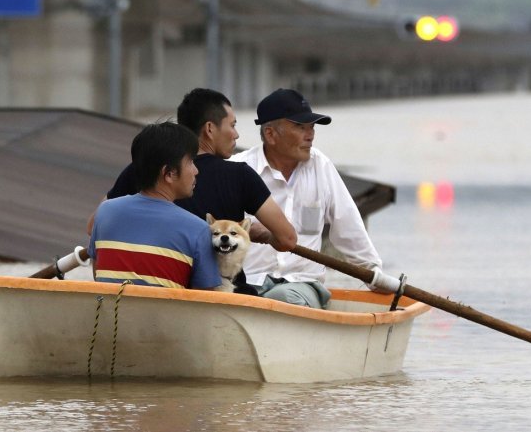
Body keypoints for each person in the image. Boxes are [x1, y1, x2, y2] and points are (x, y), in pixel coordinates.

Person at [99, 88, 297, 293]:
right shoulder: (238, 176)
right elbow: (287, 239)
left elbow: (95, 225)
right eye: (233, 125)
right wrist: (252, 232)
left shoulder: (144, 168)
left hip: (154, 288)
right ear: (210, 129)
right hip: (221, 294)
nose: (236, 134)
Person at [231, 88, 400, 308]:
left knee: (284, 299)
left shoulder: (321, 166)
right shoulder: (238, 168)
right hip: (248, 282)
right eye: (300, 127)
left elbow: (348, 225)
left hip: (302, 284)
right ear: (271, 134)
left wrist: (374, 274)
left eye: (311, 127)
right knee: (244, 300)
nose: (310, 135)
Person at [88, 121, 221, 289]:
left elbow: (98, 279)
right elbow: (204, 302)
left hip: (110, 313)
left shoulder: (105, 212)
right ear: (169, 173)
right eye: (190, 162)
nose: (196, 170)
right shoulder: (198, 230)